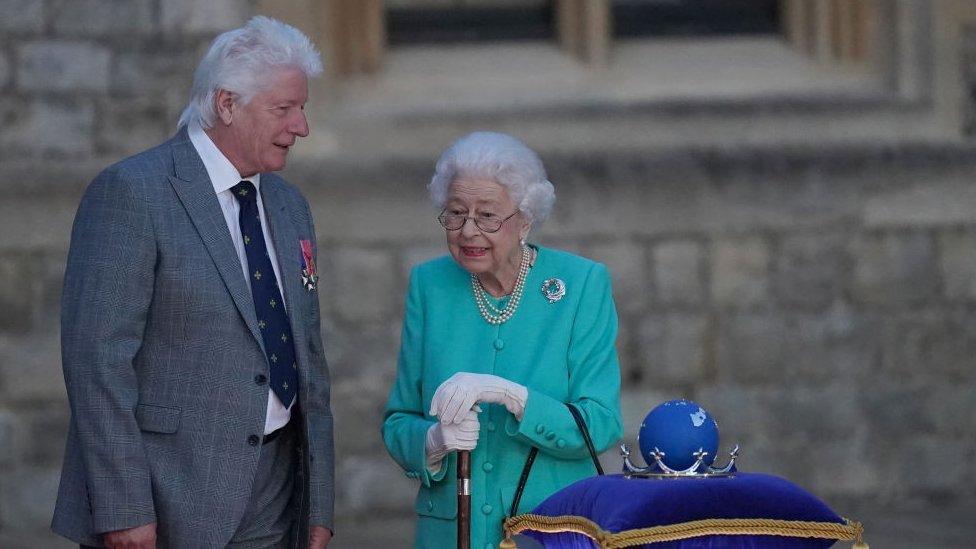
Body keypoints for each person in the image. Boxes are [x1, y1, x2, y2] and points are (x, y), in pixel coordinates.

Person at [52, 16, 334, 549]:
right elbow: (96, 362)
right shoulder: (131, 193)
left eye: (303, 108)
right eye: (284, 109)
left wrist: (317, 504)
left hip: (275, 494)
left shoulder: (290, 205)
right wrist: (124, 507)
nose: (301, 127)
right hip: (166, 500)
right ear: (226, 104)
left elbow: (309, 362)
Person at [382, 131, 623, 548]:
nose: (468, 230)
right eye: (455, 213)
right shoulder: (430, 285)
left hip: (548, 531)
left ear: (525, 219)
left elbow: (601, 424)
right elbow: (399, 420)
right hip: (452, 533)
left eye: (487, 216)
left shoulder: (580, 284)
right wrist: (433, 442)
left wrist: (513, 397)